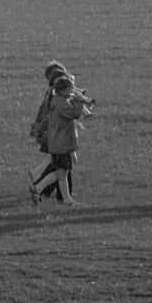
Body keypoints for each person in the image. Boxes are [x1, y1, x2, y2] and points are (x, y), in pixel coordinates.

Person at [29, 75, 94, 206]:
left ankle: (65, 199)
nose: (72, 92)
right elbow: (74, 114)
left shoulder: (57, 100)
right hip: (61, 144)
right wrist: (79, 101)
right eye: (70, 90)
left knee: (62, 173)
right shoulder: (62, 104)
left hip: (58, 143)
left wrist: (76, 100)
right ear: (63, 91)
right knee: (61, 172)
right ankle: (39, 188)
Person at [28, 61, 70, 202]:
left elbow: (42, 113)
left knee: (58, 163)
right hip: (59, 137)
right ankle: (46, 190)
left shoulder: (51, 95)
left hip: (56, 136)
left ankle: (42, 185)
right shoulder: (58, 100)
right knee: (62, 165)